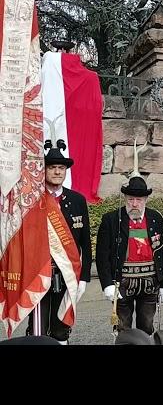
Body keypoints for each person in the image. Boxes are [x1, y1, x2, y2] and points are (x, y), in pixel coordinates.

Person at [26, 139, 91, 344]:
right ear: (44, 171)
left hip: (67, 274)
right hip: (38, 273)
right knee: (37, 327)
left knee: (62, 326)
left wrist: (84, 277)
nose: (57, 172)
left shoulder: (77, 200)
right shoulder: (33, 199)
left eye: (61, 168)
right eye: (52, 167)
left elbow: (85, 242)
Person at [96, 174, 163, 335]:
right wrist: (107, 284)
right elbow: (102, 255)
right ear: (125, 198)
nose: (135, 204)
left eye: (139, 200)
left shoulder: (158, 218)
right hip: (121, 282)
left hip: (151, 282)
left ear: (146, 200)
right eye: (131, 199)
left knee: (147, 324)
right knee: (123, 327)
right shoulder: (111, 220)